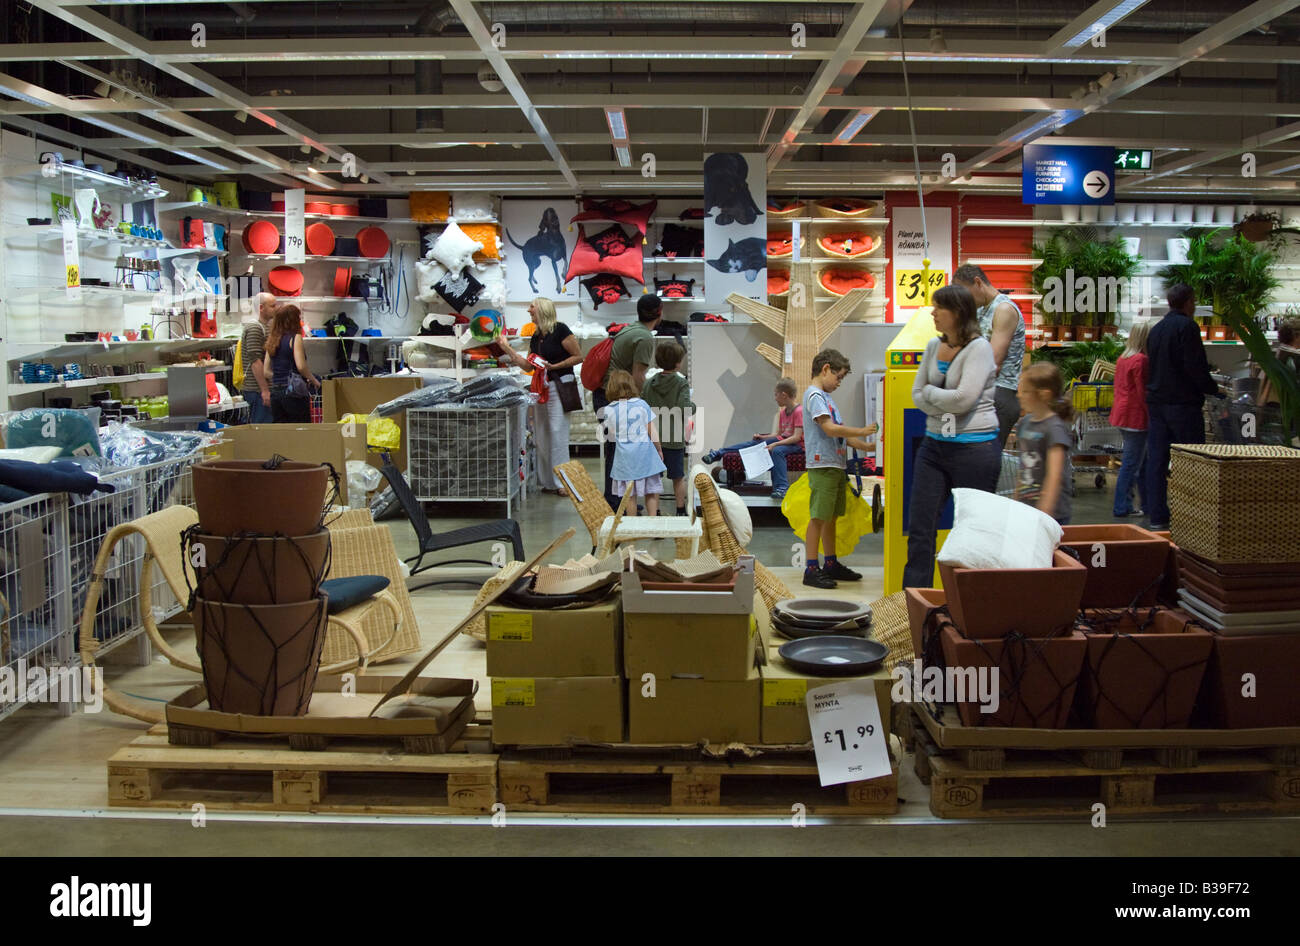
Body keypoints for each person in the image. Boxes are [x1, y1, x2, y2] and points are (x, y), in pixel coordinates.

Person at [902, 283, 1001, 590]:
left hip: (976, 450)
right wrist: (935, 395)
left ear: (958, 313)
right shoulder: (933, 346)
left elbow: (964, 400)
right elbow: (915, 394)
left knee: (972, 531)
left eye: (939, 308)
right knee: (920, 529)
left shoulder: (980, 349)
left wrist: (932, 393)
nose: (933, 313)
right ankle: (912, 605)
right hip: (934, 447)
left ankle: (970, 601)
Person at [1144, 284, 1219, 531]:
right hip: (1183, 405)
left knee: (1157, 460)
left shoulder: (1156, 330)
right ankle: (1191, 515)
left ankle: (1157, 516)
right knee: (1191, 459)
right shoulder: (1188, 327)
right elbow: (1194, 366)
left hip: (1157, 404)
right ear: (1188, 302)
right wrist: (1213, 388)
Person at [801, 349, 878, 590]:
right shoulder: (814, 396)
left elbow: (841, 436)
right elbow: (830, 429)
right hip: (822, 465)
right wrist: (863, 431)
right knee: (818, 518)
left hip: (834, 464)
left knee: (831, 518)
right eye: (839, 377)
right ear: (825, 369)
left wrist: (868, 445)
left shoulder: (826, 397)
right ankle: (811, 568)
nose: (839, 382)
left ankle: (831, 563)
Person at [499, 297, 582, 495]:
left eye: (532, 307)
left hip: (558, 386)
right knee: (542, 434)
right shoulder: (536, 336)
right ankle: (548, 481)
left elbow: (579, 356)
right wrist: (506, 347)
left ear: (542, 310)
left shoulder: (560, 330)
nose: (529, 310)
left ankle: (563, 483)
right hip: (541, 388)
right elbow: (528, 365)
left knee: (558, 433)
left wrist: (555, 366)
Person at [594, 295, 662, 506]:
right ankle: (616, 503)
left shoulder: (631, 329)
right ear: (659, 312)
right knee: (619, 451)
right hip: (615, 398)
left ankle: (621, 500)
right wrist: (641, 402)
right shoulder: (644, 337)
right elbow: (638, 375)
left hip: (606, 395)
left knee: (618, 450)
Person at [953, 264, 1026, 447]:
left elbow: (993, 362)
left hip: (999, 394)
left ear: (978, 283)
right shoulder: (979, 310)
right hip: (982, 392)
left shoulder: (1003, 309)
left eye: (965, 293)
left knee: (983, 459)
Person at [701, 378, 804, 500]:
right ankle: (719, 453)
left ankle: (782, 488)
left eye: (776, 395)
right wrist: (763, 437)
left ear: (784, 395)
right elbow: (779, 434)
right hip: (785, 441)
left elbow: (796, 437)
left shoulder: (799, 411)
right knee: (755, 443)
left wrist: (775, 445)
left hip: (796, 445)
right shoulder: (782, 413)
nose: (775, 398)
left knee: (777, 451)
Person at [1014, 362, 1075, 526]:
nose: (1019, 395)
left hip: (1051, 515)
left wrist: (1044, 511)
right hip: (1027, 509)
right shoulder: (1025, 423)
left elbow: (1055, 475)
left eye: (1025, 391)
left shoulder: (1054, 428)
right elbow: (1023, 466)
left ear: (1044, 395)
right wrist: (1016, 500)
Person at [604, 368, 666, 517]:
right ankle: (653, 522)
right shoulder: (641, 404)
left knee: (629, 496)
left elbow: (612, 433)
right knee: (651, 491)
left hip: (625, 460)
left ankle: (632, 525)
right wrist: (659, 449)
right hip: (646, 456)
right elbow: (652, 431)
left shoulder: (608, 410)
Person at [642, 340, 695, 515]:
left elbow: (643, 409)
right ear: (678, 363)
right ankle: (680, 510)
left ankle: (654, 513)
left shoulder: (649, 383)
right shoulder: (681, 384)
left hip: (653, 438)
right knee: (678, 477)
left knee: (653, 479)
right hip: (674, 437)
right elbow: (684, 408)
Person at [1109, 318, 1152, 518]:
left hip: (1121, 414)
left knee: (1135, 462)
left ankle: (1143, 504)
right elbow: (1143, 393)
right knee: (1132, 464)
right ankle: (1122, 506)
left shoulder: (1123, 358)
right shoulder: (1141, 361)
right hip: (1136, 417)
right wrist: (1152, 415)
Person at [261, 304, 320, 423]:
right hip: (294, 393)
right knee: (300, 431)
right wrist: (314, 380)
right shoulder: (295, 338)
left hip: (276, 393)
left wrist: (281, 376)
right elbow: (301, 366)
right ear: (293, 319)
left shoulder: (272, 340)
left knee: (282, 433)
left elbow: (266, 372)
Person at [240, 292, 277, 423]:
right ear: (261, 308)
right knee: (262, 429)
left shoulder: (266, 327)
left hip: (263, 389)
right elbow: (255, 362)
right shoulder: (255, 328)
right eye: (272, 306)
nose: (275, 308)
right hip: (257, 390)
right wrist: (265, 390)